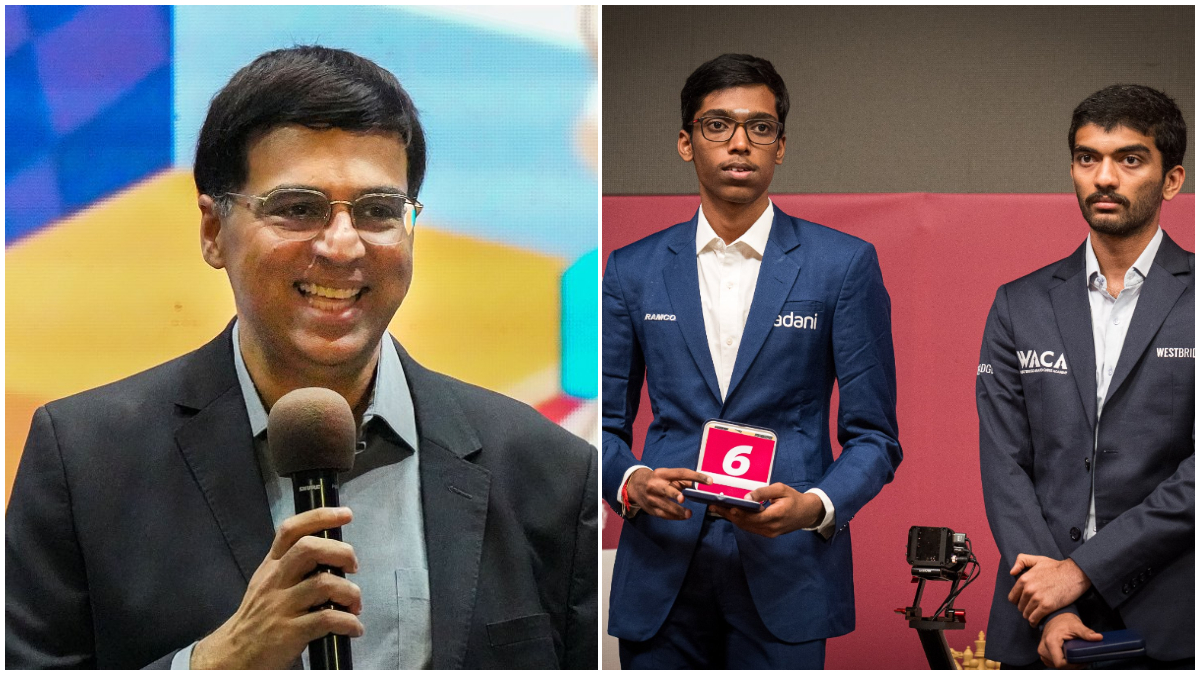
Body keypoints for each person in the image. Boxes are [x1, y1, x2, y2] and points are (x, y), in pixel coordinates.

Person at [5, 46, 597, 670]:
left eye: (378, 211)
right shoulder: (84, 461)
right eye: (298, 208)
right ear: (213, 230)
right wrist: (215, 662)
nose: (343, 246)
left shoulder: (548, 472)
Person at [601, 53, 902, 669]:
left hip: (786, 567)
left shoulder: (842, 265)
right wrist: (630, 481)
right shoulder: (631, 270)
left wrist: (816, 505)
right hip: (663, 569)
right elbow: (598, 424)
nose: (740, 143)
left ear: (781, 146)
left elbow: (875, 436)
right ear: (687, 143)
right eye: (718, 125)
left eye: (760, 128)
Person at [977, 84, 1193, 668]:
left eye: (1129, 159)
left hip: (1174, 613)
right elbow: (1005, 467)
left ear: (1172, 179)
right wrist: (1052, 601)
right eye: (1086, 157)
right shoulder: (1017, 304)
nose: (1103, 177)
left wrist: (1083, 572)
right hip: (1036, 609)